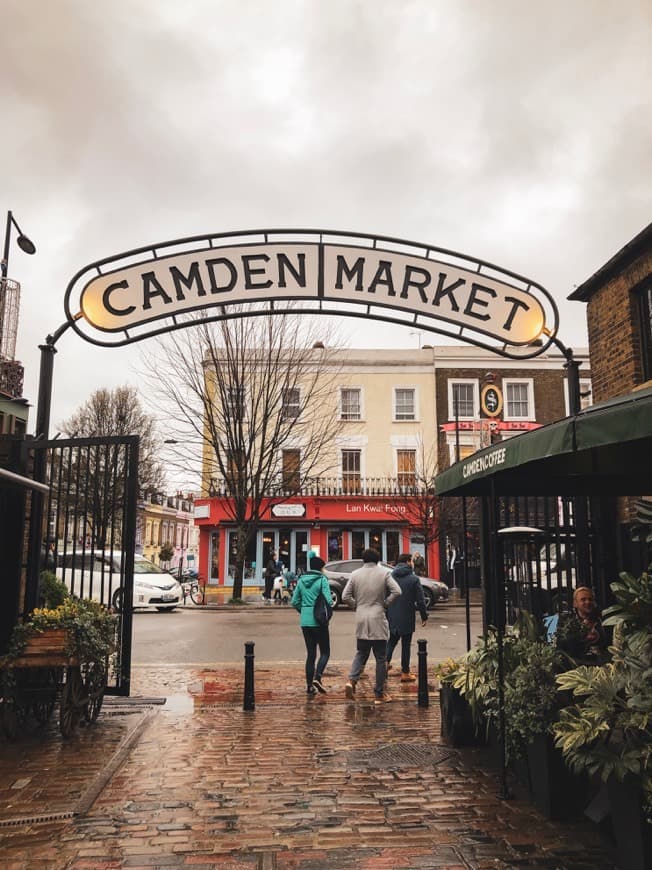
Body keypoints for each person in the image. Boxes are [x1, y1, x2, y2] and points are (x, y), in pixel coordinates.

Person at [343, 548, 402, 705]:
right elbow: (397, 591)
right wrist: (385, 604)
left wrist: (357, 605)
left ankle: (351, 680)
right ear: (377, 559)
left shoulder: (355, 574)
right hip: (377, 616)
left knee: (361, 652)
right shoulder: (384, 573)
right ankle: (379, 694)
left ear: (363, 559)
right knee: (381, 658)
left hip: (361, 616)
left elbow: (344, 596)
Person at [291, 555, 332, 695]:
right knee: (325, 652)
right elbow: (328, 600)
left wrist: (304, 611)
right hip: (319, 621)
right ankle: (318, 677)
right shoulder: (322, 580)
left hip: (305, 621)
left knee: (311, 654)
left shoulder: (301, 580)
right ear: (321, 568)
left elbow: (294, 601)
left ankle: (309, 687)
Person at [386, 553, 428, 682]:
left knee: (392, 641)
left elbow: (385, 595)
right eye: (411, 561)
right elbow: (420, 600)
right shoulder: (413, 579)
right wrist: (424, 616)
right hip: (407, 615)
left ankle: (384, 665)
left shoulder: (390, 576)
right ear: (408, 562)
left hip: (392, 614)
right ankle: (405, 672)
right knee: (406, 644)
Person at [556, 586, 609, 662]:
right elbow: (562, 644)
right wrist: (582, 634)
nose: (587, 602)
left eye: (590, 599)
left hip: (600, 662)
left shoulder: (602, 618)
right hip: (576, 663)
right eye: (583, 600)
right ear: (575, 604)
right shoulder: (566, 621)